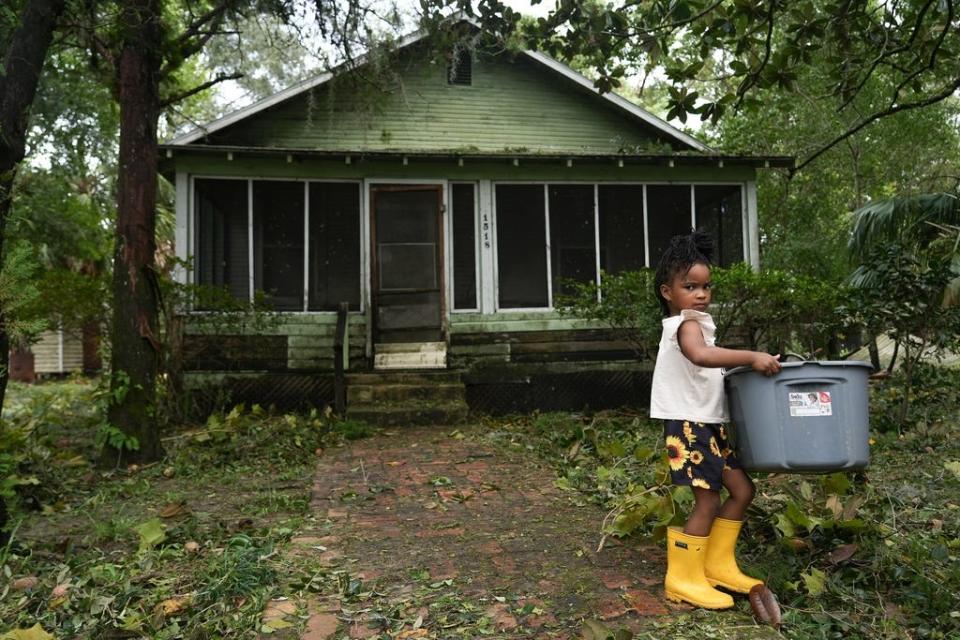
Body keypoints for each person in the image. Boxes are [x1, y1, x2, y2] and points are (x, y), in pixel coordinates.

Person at [649, 230, 781, 609]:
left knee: (742, 491)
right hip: (688, 425)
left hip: (708, 425)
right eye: (690, 286)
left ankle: (717, 565)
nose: (701, 294)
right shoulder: (685, 325)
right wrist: (751, 356)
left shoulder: (699, 322)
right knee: (707, 502)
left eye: (706, 286)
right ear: (667, 292)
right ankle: (684, 578)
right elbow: (701, 356)